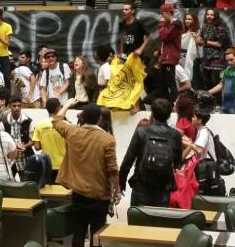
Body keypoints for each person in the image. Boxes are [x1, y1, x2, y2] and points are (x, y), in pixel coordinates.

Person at [52, 99, 121, 247]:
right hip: (99, 194)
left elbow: (56, 120)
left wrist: (68, 104)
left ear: (82, 117)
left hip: (78, 193)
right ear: (99, 118)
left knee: (78, 233)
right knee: (97, 235)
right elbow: (113, 170)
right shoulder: (107, 139)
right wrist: (118, 191)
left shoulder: (72, 132)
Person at [120, 98, 182, 207]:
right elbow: (177, 162)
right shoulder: (175, 135)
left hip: (141, 186)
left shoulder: (141, 131)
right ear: (169, 115)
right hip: (163, 188)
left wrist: (122, 182)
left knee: (137, 222)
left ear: (152, 112)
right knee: (158, 222)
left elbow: (128, 160)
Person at [189, 109, 226, 196]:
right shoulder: (203, 131)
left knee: (206, 194)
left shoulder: (203, 132)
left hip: (207, 169)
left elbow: (199, 150)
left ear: (200, 120)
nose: (191, 118)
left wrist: (188, 143)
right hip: (207, 168)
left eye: (194, 116)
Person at [208, 47, 235, 114]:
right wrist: (207, 92)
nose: (229, 62)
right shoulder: (228, 69)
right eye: (227, 60)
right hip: (226, 103)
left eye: (231, 60)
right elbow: (221, 84)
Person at [197, 9, 229, 96]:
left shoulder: (220, 28)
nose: (209, 16)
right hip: (206, 60)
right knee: (207, 83)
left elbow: (220, 44)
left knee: (215, 83)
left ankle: (217, 104)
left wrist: (206, 42)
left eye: (211, 15)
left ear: (215, 17)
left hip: (217, 59)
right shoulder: (204, 27)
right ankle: (208, 103)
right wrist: (198, 40)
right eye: (207, 14)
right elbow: (200, 42)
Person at [32, 98, 66, 181]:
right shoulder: (66, 125)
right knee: (62, 191)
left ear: (46, 109)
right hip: (63, 165)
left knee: (48, 191)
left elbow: (37, 147)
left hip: (46, 165)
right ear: (59, 108)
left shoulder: (39, 125)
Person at [1, 96, 34, 180]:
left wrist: (24, 146)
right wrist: (15, 147)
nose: (17, 108)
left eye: (19, 106)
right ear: (9, 107)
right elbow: (0, 140)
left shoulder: (28, 121)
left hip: (24, 158)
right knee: (8, 185)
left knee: (26, 185)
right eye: (14, 106)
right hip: (9, 159)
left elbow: (33, 140)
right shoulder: (3, 122)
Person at [158, 3, 183, 103]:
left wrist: (162, 24)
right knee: (164, 83)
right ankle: (167, 103)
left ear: (167, 13)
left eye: (162, 13)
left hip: (170, 57)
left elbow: (165, 37)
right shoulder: (171, 25)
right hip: (166, 57)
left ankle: (174, 103)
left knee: (171, 82)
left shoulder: (176, 24)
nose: (162, 16)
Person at [181, 12, 200, 84]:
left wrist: (195, 36)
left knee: (192, 77)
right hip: (182, 57)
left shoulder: (197, 30)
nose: (187, 21)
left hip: (192, 57)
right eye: (186, 19)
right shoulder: (183, 30)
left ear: (194, 20)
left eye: (189, 19)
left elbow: (199, 43)